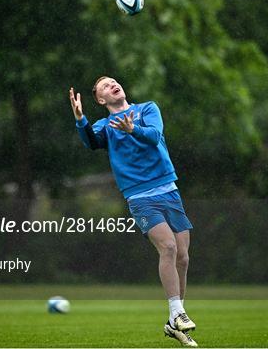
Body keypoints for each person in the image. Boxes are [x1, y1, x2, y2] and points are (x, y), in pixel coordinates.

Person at [69, 76, 198, 347]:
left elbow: (153, 136)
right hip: (139, 196)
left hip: (168, 189)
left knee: (183, 257)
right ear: (101, 101)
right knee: (168, 248)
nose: (112, 85)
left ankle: (174, 322)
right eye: (105, 87)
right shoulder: (105, 125)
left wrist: (132, 129)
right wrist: (80, 119)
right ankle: (177, 312)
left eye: (113, 82)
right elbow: (91, 142)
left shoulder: (148, 109)